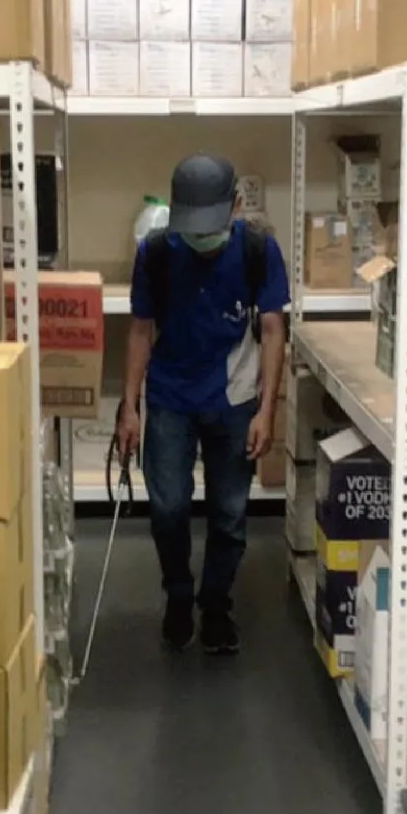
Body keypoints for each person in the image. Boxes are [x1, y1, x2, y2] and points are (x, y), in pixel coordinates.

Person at [116, 154, 290, 655]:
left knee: (229, 512)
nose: (201, 238)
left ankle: (216, 607)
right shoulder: (155, 252)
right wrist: (129, 407)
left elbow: (273, 330)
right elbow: (140, 330)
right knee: (168, 507)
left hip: (234, 397)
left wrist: (267, 410)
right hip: (170, 396)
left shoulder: (258, 249)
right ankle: (178, 597)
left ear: (236, 206)